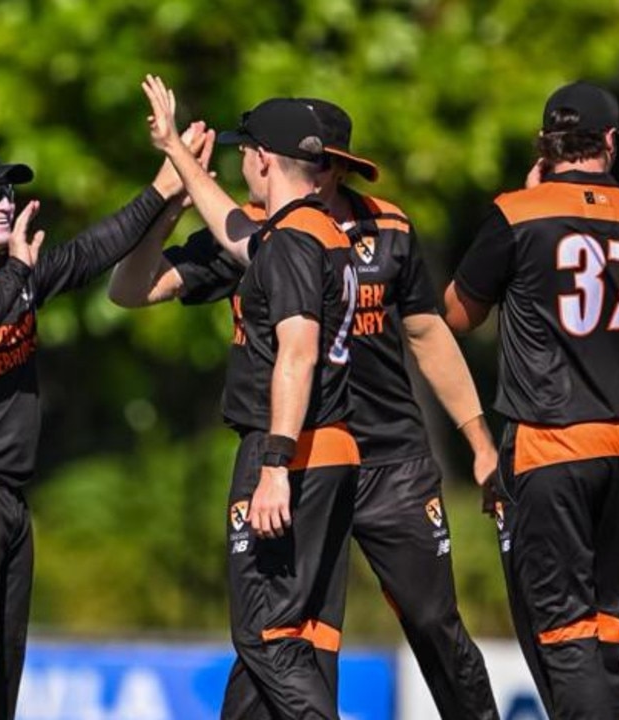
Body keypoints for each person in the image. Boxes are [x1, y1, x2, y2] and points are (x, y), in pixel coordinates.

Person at [110, 95, 500, 719]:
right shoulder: (260, 229)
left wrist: (480, 443)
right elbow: (130, 289)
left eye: (336, 167)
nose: (327, 178)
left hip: (375, 460)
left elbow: (419, 335)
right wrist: (174, 191)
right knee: (289, 636)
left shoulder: (372, 230)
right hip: (307, 451)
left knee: (421, 623)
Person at [0, 131, 205, 719]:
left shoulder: (13, 272)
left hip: (4, 496)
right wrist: (16, 275)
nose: (3, 203)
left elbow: (89, 252)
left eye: (6, 190)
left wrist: (162, 188)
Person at [444, 81, 619, 718]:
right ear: (609, 142)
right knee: (607, 637)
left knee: (567, 636)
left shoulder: (518, 214)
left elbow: (455, 315)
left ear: (546, 146)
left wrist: (525, 202)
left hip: (549, 446)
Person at [142, 79, 360, 719]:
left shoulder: (291, 242)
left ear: (263, 158)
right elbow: (238, 233)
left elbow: (297, 352)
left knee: (263, 633)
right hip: (334, 448)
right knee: (289, 639)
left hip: (290, 453)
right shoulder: (320, 231)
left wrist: (273, 466)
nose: (240, 167)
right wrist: (179, 161)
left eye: (244, 154)